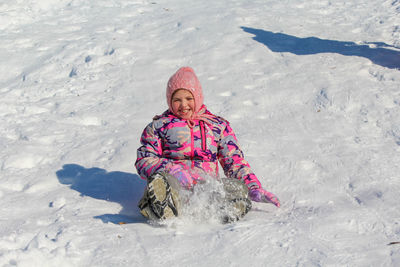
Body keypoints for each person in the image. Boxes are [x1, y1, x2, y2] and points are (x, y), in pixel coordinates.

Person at [135, 67, 280, 223]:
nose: (183, 105)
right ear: (169, 101)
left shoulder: (217, 126)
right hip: (174, 185)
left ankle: (224, 209)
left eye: (189, 98)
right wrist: (171, 169)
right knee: (160, 183)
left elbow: (234, 161)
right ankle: (164, 208)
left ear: (197, 97)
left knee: (237, 188)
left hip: (207, 190)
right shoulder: (158, 126)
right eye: (177, 100)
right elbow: (144, 160)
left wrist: (253, 187)